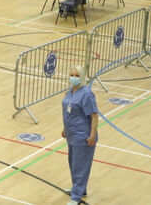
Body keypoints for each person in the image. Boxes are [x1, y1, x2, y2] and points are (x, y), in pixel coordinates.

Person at [62, 65, 98, 205]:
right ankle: (80, 189)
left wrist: (92, 136)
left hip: (83, 136)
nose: (74, 78)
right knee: (73, 163)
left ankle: (76, 197)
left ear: (82, 77)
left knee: (80, 166)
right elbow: (69, 112)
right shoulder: (70, 91)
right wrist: (64, 128)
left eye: (77, 76)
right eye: (72, 75)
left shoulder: (86, 94)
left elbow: (94, 116)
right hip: (71, 134)